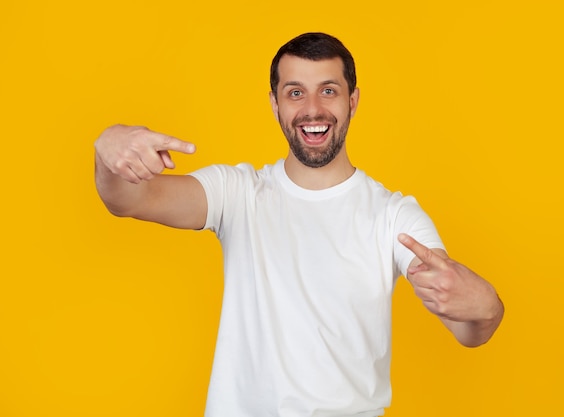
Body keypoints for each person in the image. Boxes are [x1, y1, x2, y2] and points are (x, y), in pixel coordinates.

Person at [95, 32, 504, 417]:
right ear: (275, 104)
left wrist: (487, 308)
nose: (312, 109)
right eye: (295, 93)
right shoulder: (237, 194)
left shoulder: (395, 216)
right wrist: (108, 148)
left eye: (328, 90)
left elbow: (467, 327)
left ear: (353, 100)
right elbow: (127, 198)